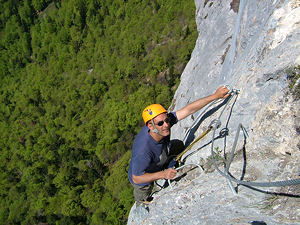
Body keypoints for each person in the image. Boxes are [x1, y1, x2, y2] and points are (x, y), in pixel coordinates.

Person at [128, 86, 230, 205]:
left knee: (178, 145)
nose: (166, 125)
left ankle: (168, 163)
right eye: (160, 123)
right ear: (150, 126)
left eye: (167, 120)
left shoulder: (162, 124)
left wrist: (215, 96)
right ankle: (142, 202)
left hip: (161, 155)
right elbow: (137, 178)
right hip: (144, 175)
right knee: (144, 197)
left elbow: (188, 110)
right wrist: (163, 174)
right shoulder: (143, 150)